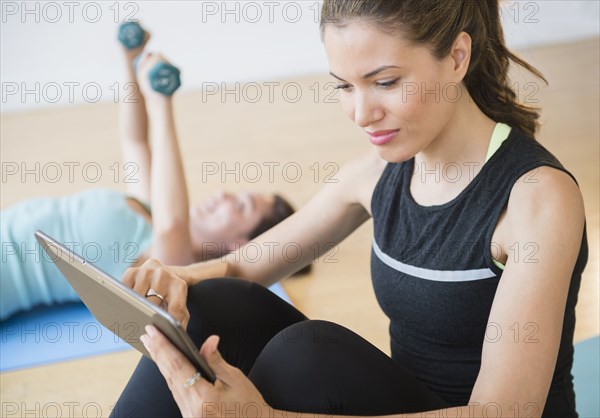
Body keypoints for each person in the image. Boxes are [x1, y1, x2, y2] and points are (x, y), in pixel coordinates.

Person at [110, 1, 588, 417]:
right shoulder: (378, 173)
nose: (362, 114)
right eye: (344, 86)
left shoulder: (536, 199)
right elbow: (239, 265)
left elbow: (501, 413)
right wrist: (176, 278)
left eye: (384, 82)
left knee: (308, 355)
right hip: (415, 402)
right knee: (212, 300)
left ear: (457, 57)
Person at [0, 30, 306, 321]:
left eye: (240, 207)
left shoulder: (170, 261)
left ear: (239, 245)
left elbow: (174, 224)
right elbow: (136, 142)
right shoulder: (152, 213)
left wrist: (162, 103)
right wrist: (130, 63)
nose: (224, 194)